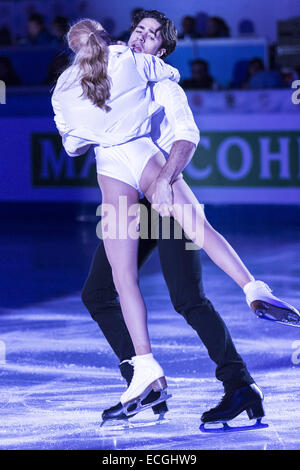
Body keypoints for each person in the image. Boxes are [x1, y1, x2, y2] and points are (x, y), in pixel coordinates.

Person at [52, 15, 300, 427]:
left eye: (151, 36)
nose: (140, 37)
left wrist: (165, 181)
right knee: (98, 293)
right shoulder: (113, 69)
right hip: (135, 189)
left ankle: (240, 385)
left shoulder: (163, 83)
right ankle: (145, 381)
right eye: (138, 30)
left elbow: (186, 137)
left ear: (161, 51)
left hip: (161, 189)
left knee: (188, 297)